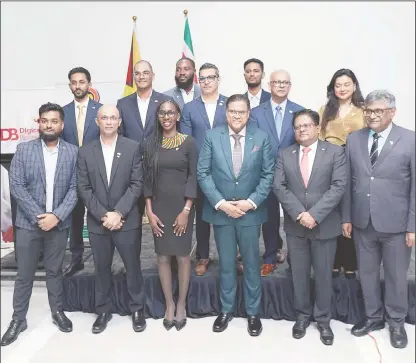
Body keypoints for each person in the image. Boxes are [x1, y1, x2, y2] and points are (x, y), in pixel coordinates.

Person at [342, 90, 415, 349]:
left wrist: (412, 226)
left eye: (378, 111)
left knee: (396, 275)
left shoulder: (410, 139)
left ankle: (396, 321)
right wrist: (347, 217)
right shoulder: (354, 140)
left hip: (397, 224)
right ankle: (373, 318)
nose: (371, 115)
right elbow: (350, 183)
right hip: (363, 221)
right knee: (367, 273)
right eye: (368, 110)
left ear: (392, 112)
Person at [1, 103, 78, 346]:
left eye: (54, 121)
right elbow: (17, 187)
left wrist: (56, 216)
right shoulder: (23, 150)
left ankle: (57, 311)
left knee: (55, 271)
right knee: (25, 274)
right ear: (39, 123)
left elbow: (76, 189)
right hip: (27, 225)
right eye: (45, 120)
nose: (49, 125)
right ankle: (18, 319)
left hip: (59, 224)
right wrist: (40, 216)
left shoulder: (73, 152)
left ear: (61, 125)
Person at [197, 94, 274, 336]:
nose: (237, 116)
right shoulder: (212, 137)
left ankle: (253, 312)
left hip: (250, 213)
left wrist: (250, 202)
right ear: (226, 113)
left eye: (242, 112)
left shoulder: (261, 138)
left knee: (252, 264)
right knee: (227, 264)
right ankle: (226, 310)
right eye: (233, 112)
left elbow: (268, 175)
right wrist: (221, 203)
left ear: (248, 113)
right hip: (222, 213)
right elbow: (203, 173)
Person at [274, 109, 347, 346]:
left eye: (306, 125)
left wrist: (314, 215)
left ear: (317, 127)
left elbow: (338, 186)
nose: (302, 130)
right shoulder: (285, 154)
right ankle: (303, 316)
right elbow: (279, 186)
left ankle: (323, 320)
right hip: (297, 227)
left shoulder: (335, 152)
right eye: (297, 127)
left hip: (324, 225)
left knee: (324, 274)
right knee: (299, 274)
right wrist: (299, 214)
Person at [77, 104, 146, 334]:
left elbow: (137, 184)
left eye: (113, 118)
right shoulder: (86, 151)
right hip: (99, 222)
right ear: (97, 121)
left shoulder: (133, 148)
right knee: (101, 268)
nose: (108, 121)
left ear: (119, 122)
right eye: (104, 117)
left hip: (126, 220)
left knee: (133, 267)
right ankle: (103, 310)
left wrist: (119, 213)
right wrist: (104, 215)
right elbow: (84, 188)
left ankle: (137, 308)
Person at [143, 100, 197, 331]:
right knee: (163, 256)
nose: (166, 116)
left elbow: (194, 177)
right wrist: (149, 209)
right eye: (162, 113)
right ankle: (169, 305)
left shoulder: (188, 142)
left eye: (171, 112)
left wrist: (186, 210)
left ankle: (182, 305)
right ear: (158, 116)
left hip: (182, 207)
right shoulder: (150, 144)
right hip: (158, 207)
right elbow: (146, 179)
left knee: (183, 256)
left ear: (177, 116)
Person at [116, 60, 172, 265]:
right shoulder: (123, 104)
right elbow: (119, 136)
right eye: (137, 73)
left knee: (163, 218)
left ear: (152, 75)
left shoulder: (165, 101)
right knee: (131, 220)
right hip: (131, 171)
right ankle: (131, 263)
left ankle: (168, 262)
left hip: (159, 170)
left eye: (145, 73)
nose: (141, 76)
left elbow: (171, 133)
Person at [249, 69, 304, 276]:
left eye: (285, 82)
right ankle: (270, 257)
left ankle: (296, 258)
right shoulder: (255, 113)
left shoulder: (300, 112)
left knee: (294, 218)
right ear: (269, 84)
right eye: (277, 82)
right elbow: (253, 144)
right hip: (265, 174)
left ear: (290, 86)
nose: (281, 85)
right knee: (269, 217)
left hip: (293, 176)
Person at [180, 63, 228, 276]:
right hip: (199, 170)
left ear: (218, 79)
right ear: (199, 81)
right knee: (202, 217)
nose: (207, 81)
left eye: (211, 77)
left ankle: (229, 256)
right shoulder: (190, 108)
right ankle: (203, 256)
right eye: (203, 78)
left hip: (226, 170)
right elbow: (187, 141)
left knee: (227, 214)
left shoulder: (229, 104)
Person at [318, 68, 365, 279]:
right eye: (338, 85)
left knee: (352, 213)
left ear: (354, 86)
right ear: (332, 88)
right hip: (330, 167)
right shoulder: (325, 110)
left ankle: (351, 260)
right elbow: (318, 138)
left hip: (357, 166)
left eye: (347, 84)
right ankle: (335, 261)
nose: (342, 88)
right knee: (333, 213)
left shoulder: (364, 110)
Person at [61, 67, 102, 278]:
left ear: (89, 84)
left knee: (97, 216)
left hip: (96, 175)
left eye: (81, 82)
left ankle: (100, 260)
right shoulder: (62, 112)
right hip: (70, 175)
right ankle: (76, 260)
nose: (78, 86)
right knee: (74, 220)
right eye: (74, 82)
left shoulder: (101, 111)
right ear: (70, 86)